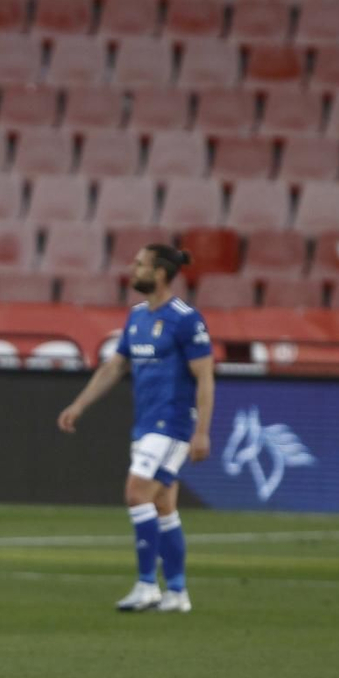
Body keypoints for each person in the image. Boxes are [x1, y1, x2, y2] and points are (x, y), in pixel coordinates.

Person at [57, 244, 215, 613]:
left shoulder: (186, 319)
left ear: (159, 273)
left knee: (136, 492)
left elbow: (205, 376)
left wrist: (202, 431)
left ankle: (147, 585)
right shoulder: (137, 317)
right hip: (146, 424)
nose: (133, 269)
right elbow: (114, 367)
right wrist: (79, 404)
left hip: (173, 423)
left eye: (140, 264)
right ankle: (176, 593)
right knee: (162, 505)